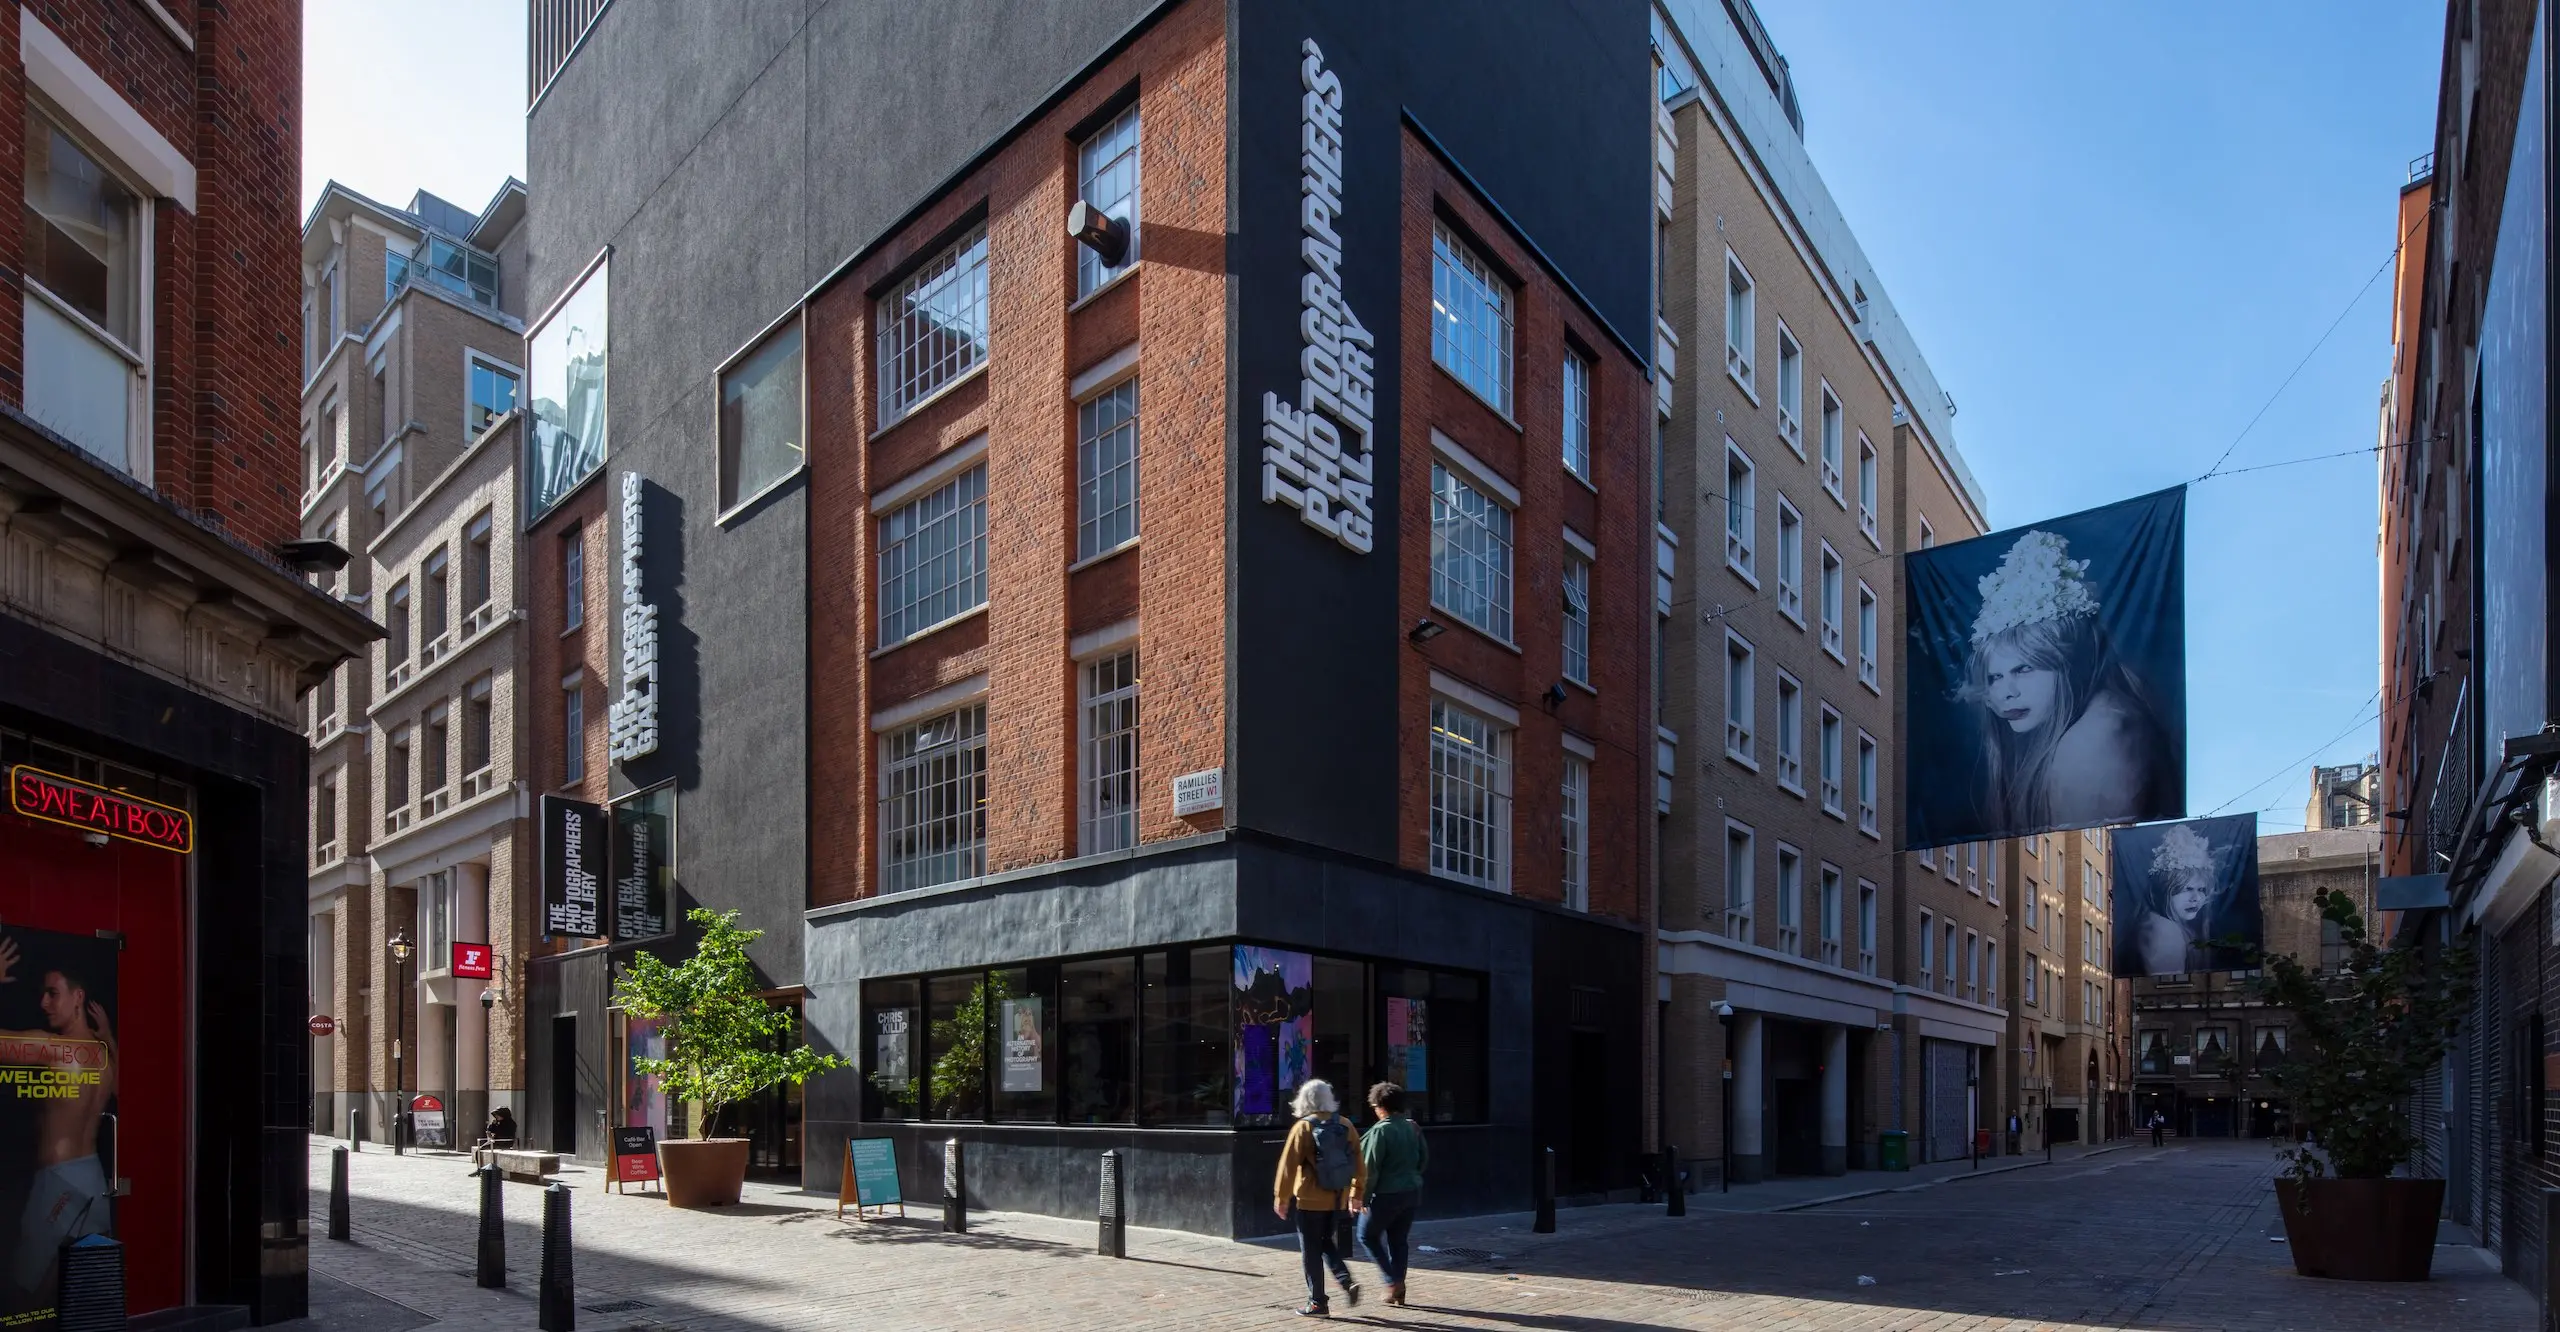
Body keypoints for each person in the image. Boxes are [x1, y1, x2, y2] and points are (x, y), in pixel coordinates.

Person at [1960, 530, 2173, 834]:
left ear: (2066, 663)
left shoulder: (2096, 742)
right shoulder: (2093, 723)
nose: (2007, 692)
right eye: (1995, 677)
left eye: (2024, 669)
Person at [0, 936, 117, 1297]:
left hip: (57, 1185)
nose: (43, 1002)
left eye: (53, 993)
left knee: (24, 1293)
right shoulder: (104, 1056)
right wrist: (110, 1037)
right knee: (79, 1291)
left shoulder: (53, 1049)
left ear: (78, 997)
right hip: (95, 1179)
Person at [1273, 1079, 1365, 1316]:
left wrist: (1281, 1197)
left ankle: (1317, 1302)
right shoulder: (1345, 1125)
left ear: (1304, 1100)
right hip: (1337, 1198)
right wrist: (1357, 1193)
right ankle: (1345, 1281)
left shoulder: (1303, 1128)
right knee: (1325, 1242)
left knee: (1311, 1250)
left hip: (1309, 1201)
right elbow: (1359, 1162)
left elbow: (1288, 1166)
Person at [1354, 1081, 1428, 1307]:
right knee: (1398, 1241)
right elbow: (1423, 1159)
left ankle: (1392, 1282)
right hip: (1411, 1191)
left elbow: (1369, 1168)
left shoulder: (1380, 1131)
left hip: (1387, 1194)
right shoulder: (1412, 1127)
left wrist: (1362, 1198)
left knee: (1366, 1235)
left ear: (1380, 1106)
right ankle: (1399, 1290)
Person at [2132, 824, 2238, 975]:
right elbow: (2167, 986)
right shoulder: (2165, 930)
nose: (2196, 898)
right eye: (2187, 889)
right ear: (2165, 889)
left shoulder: (2156, 922)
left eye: (2201, 890)